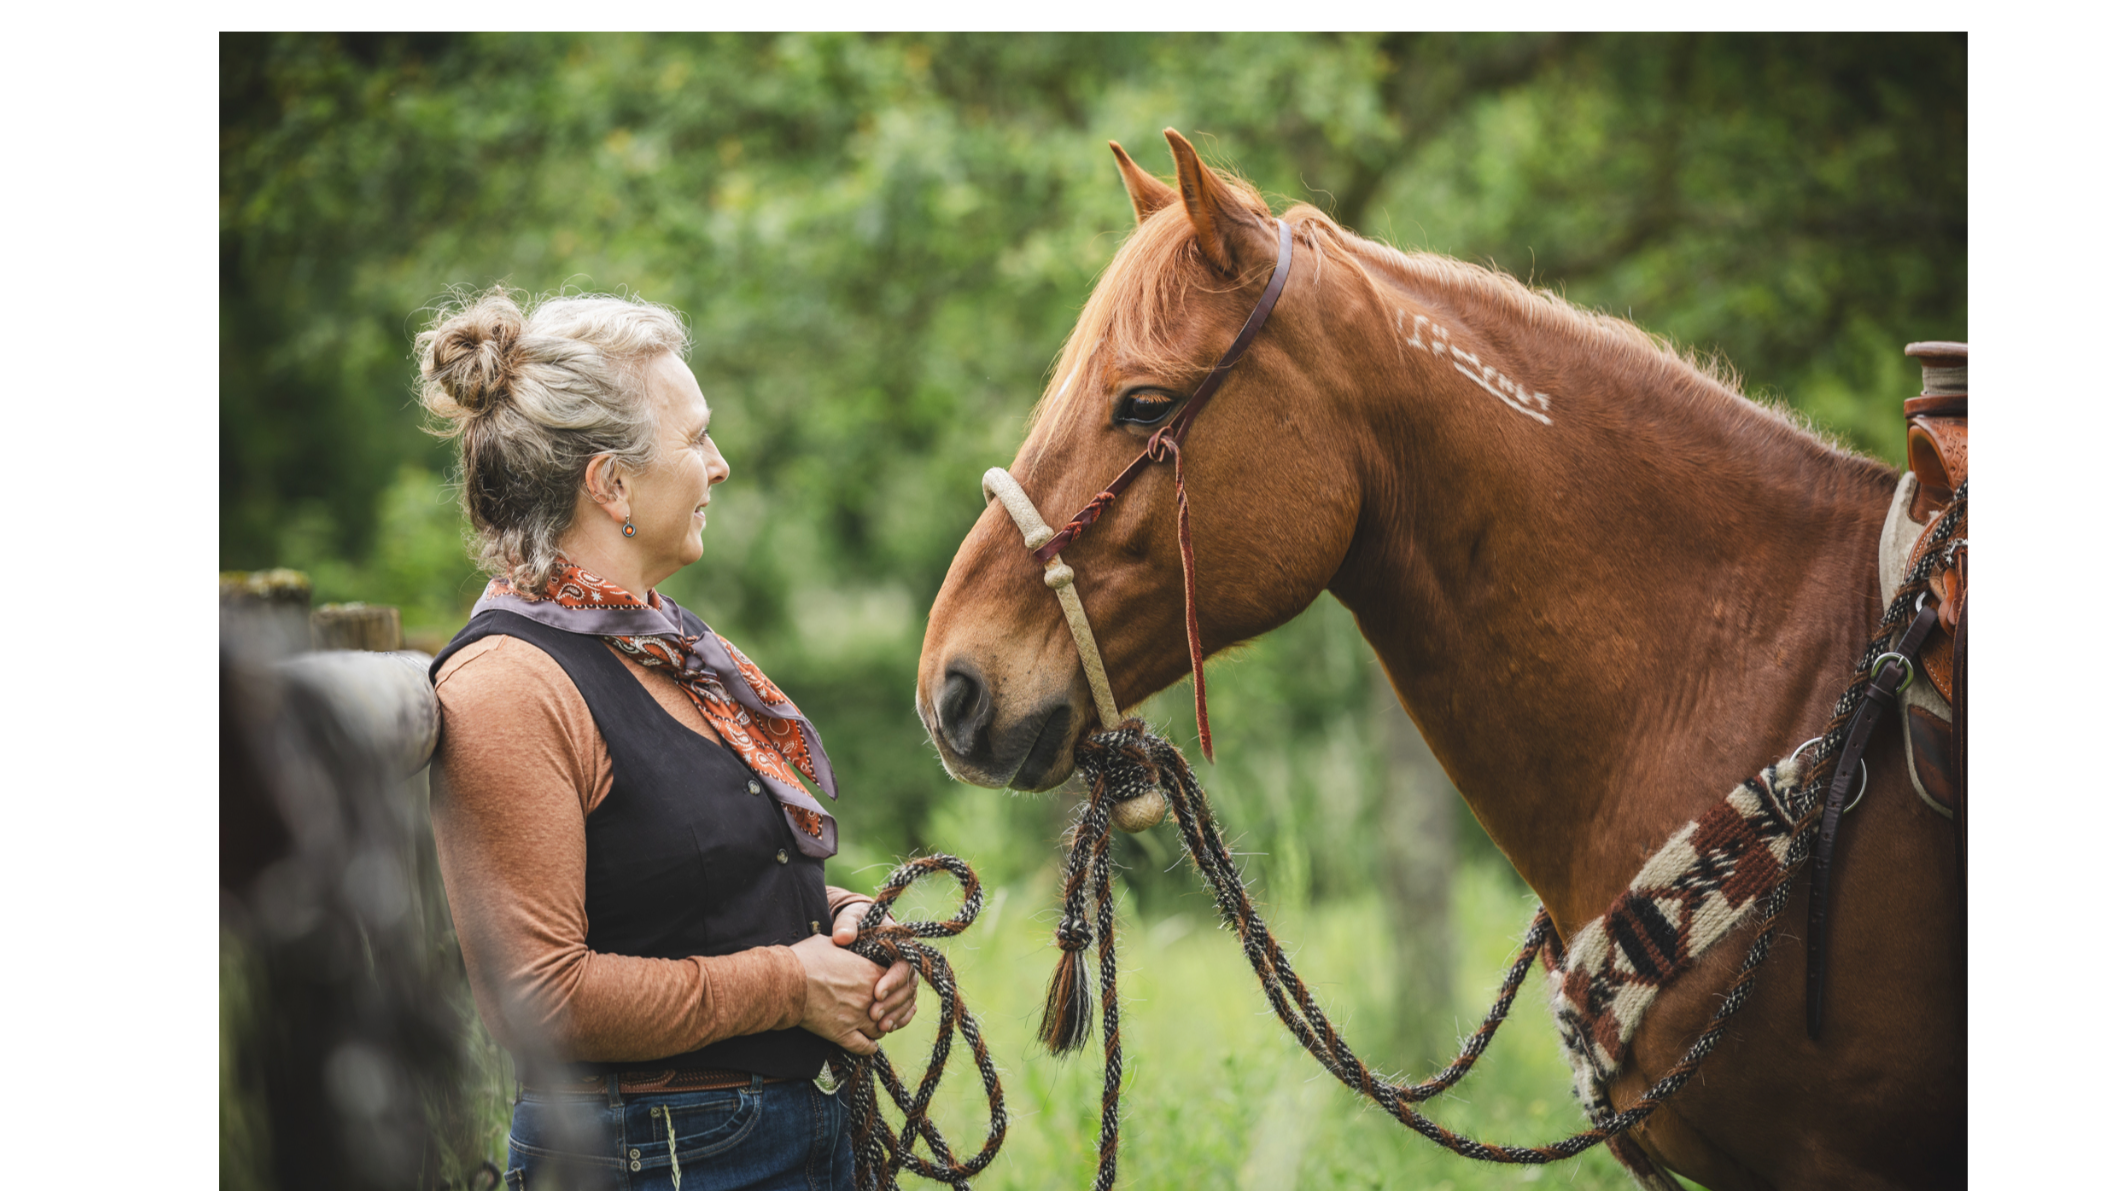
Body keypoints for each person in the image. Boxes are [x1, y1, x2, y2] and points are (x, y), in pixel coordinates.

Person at [418, 288, 914, 1191]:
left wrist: (841, 925)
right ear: (610, 485)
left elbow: (693, 889)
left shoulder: (662, 650)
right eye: (695, 439)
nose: (718, 466)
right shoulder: (507, 685)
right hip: (658, 1159)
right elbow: (541, 997)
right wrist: (793, 984)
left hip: (742, 1143)